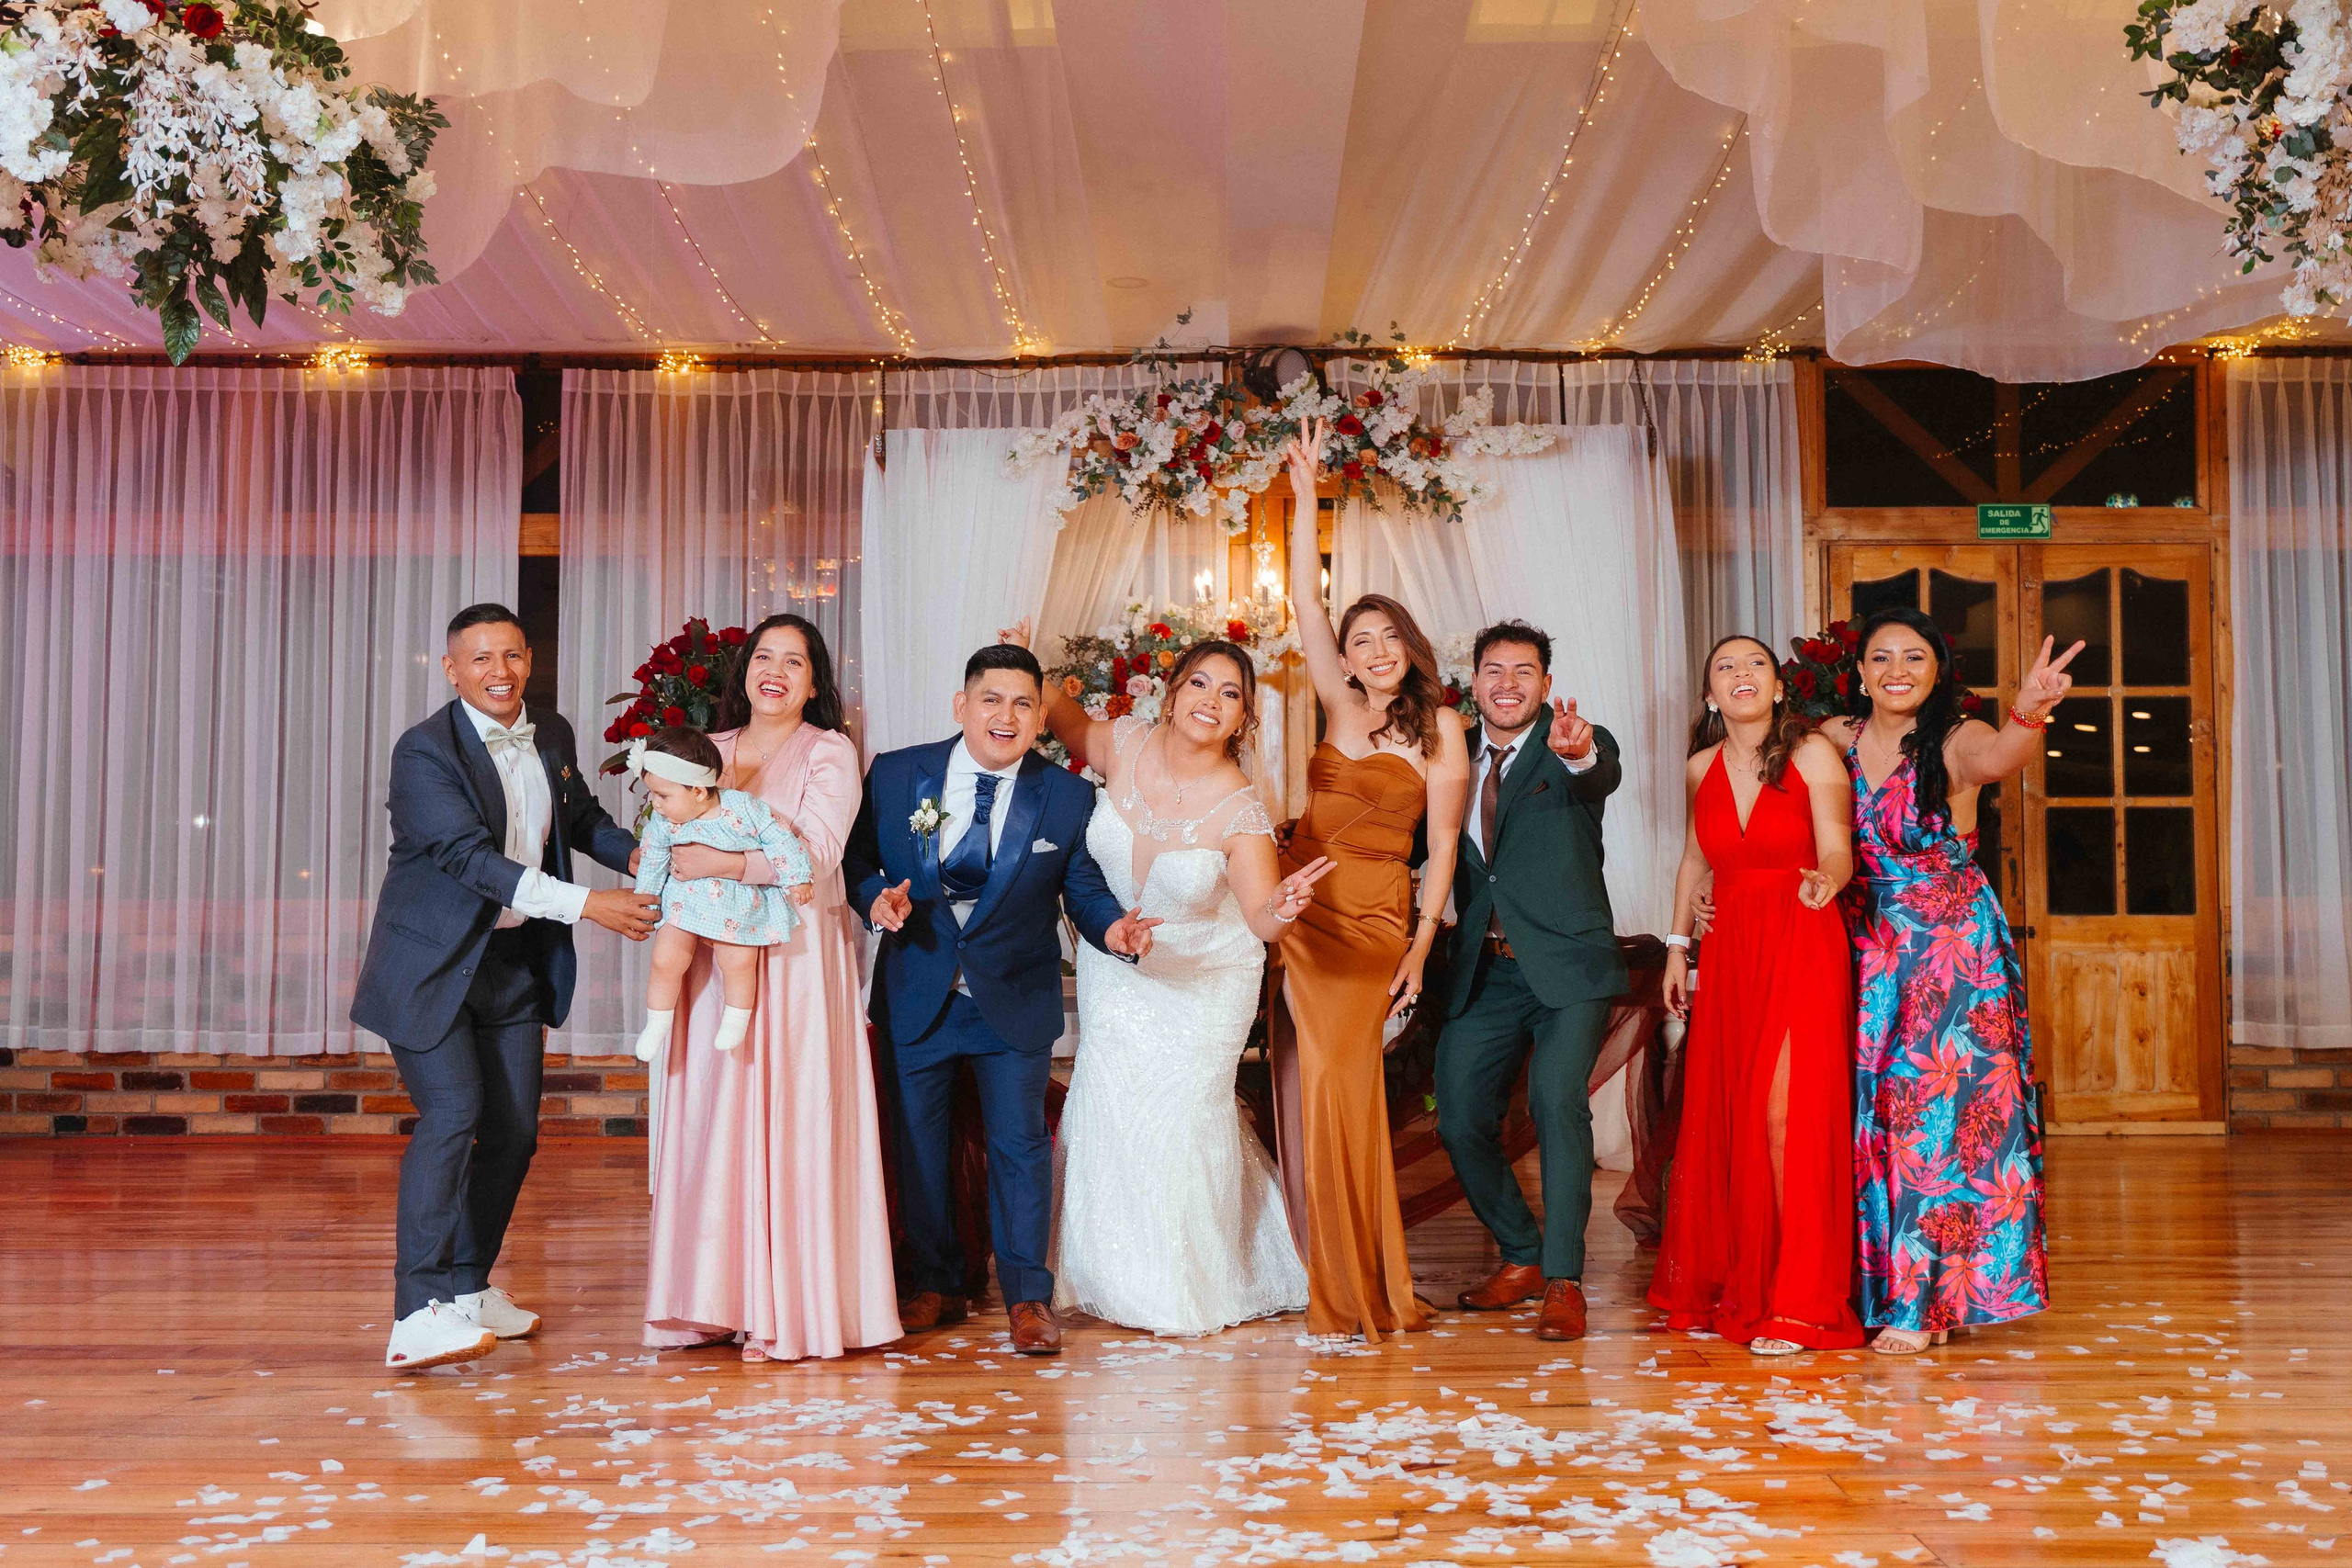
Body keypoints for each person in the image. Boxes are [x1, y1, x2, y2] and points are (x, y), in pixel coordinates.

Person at [352, 603, 659, 1372]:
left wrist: (650, 858)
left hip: (513, 962)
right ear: (452, 668)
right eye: (481, 659)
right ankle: (414, 1313)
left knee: (516, 1129)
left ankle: (466, 1284)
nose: (500, 672)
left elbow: (580, 819)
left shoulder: (548, 732)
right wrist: (592, 904)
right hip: (431, 966)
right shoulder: (422, 752)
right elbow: (470, 861)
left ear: (529, 660)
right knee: (455, 1114)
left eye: (512, 656)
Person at [1002, 623, 1327, 1336]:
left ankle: (1187, 1280)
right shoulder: (1122, 741)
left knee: (1181, 1120)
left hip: (1205, 979)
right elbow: (1059, 715)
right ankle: (1100, 1273)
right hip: (1120, 962)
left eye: (1232, 692)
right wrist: (1027, 652)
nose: (1213, 699)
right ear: (1174, 691)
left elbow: (1261, 920)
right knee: (1110, 1105)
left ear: (1244, 718)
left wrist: (1284, 907)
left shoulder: (1240, 807)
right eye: (1202, 683)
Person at [845, 643, 1159, 1356]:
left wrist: (1115, 926)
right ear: (962, 706)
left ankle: (1027, 1297)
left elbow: (1079, 886)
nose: (1006, 715)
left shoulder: (1068, 794)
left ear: (1041, 716)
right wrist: (873, 899)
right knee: (919, 1145)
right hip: (917, 989)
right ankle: (938, 1281)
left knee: (1019, 1145)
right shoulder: (898, 775)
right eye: (992, 699)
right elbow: (856, 858)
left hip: (1011, 997)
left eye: (1023, 703)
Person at [641, 614, 901, 1364]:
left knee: (792, 1118)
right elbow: (665, 834)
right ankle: (708, 1301)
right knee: (713, 1117)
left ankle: (787, 1306)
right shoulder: (707, 751)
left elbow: (817, 857)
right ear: (744, 671)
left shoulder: (831, 752)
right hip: (709, 964)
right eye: (764, 656)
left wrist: (722, 866)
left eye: (795, 660)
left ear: (815, 682)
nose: (776, 670)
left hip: (791, 959)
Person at [1828, 608, 2076, 1353]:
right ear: (1862, 669)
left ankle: (1925, 1302)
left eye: (1913, 656)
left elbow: (2003, 756)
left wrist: (2030, 708)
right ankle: (1889, 1289)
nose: (1896, 669)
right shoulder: (1834, 738)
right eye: (1881, 656)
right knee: (1873, 1120)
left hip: (1951, 953)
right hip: (1865, 943)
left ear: (1938, 669)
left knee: (1938, 1126)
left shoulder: (1954, 736)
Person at [1272, 421, 1472, 1342]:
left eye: (1389, 633)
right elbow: (1306, 613)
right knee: (1320, 1089)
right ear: (1345, 659)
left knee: (1343, 1090)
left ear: (1409, 646)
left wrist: (1423, 951)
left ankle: (1363, 1288)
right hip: (1302, 917)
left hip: (1375, 924)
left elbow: (1441, 846)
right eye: (1362, 637)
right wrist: (1307, 499)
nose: (1374, 646)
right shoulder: (1338, 707)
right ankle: (1344, 1282)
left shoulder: (1441, 733)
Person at [1648, 636, 1866, 1354]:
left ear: (1778, 688)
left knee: (1786, 1117)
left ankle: (1802, 1299)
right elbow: (1693, 859)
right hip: (1732, 948)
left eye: (1756, 666)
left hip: (1802, 935)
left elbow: (1839, 846)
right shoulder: (1698, 768)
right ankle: (1747, 1280)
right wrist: (1678, 946)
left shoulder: (1811, 756)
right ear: (1711, 693)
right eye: (1725, 667)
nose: (1741, 675)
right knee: (1732, 1117)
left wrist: (1826, 880)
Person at [1435, 620, 1623, 1343]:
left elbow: (1597, 769)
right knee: (1456, 1114)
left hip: (1568, 966)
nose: (1507, 683)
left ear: (1546, 683)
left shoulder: (1577, 738)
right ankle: (1519, 1251)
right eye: (1493, 669)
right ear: (1474, 680)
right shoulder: (1452, 752)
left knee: (1556, 1103)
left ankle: (1563, 1279)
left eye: (1524, 671)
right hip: (1484, 967)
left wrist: (1577, 753)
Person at [626, 727, 815, 1063]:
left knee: (739, 961)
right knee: (665, 958)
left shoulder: (741, 809)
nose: (655, 803)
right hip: (685, 899)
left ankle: (736, 1017)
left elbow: (780, 839)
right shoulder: (664, 821)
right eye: (653, 794)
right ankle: (657, 1021)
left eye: (663, 795)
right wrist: (647, 900)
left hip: (735, 902)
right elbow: (653, 858)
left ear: (698, 791)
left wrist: (797, 877)